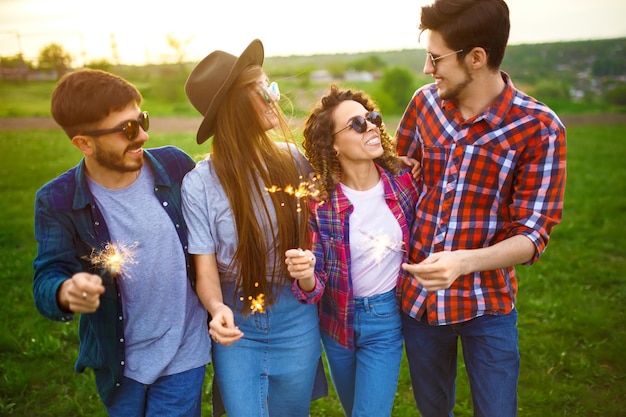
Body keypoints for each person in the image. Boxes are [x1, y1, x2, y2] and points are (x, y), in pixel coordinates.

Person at [394, 1, 567, 416]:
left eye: (436, 58)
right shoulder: (424, 105)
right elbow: (394, 180)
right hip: (420, 302)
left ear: (476, 58)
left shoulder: (540, 128)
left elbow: (533, 235)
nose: (427, 69)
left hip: (487, 306)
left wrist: (463, 263)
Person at [32, 68, 212, 416]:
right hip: (119, 361)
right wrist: (64, 291)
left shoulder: (176, 165)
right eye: (127, 129)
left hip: (183, 349)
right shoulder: (56, 199)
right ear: (84, 143)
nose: (142, 135)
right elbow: (47, 274)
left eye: (141, 120)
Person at [181, 39, 326, 417]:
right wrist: (215, 309)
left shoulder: (293, 160)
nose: (274, 99)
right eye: (264, 91)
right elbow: (205, 268)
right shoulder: (199, 185)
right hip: (237, 319)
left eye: (272, 87)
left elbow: (329, 225)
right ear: (234, 107)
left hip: (295, 314)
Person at [285, 85, 420, 417]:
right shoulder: (318, 202)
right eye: (356, 124)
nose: (371, 126)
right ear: (333, 144)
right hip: (336, 324)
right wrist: (304, 276)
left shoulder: (405, 182)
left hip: (385, 320)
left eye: (371, 118)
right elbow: (312, 288)